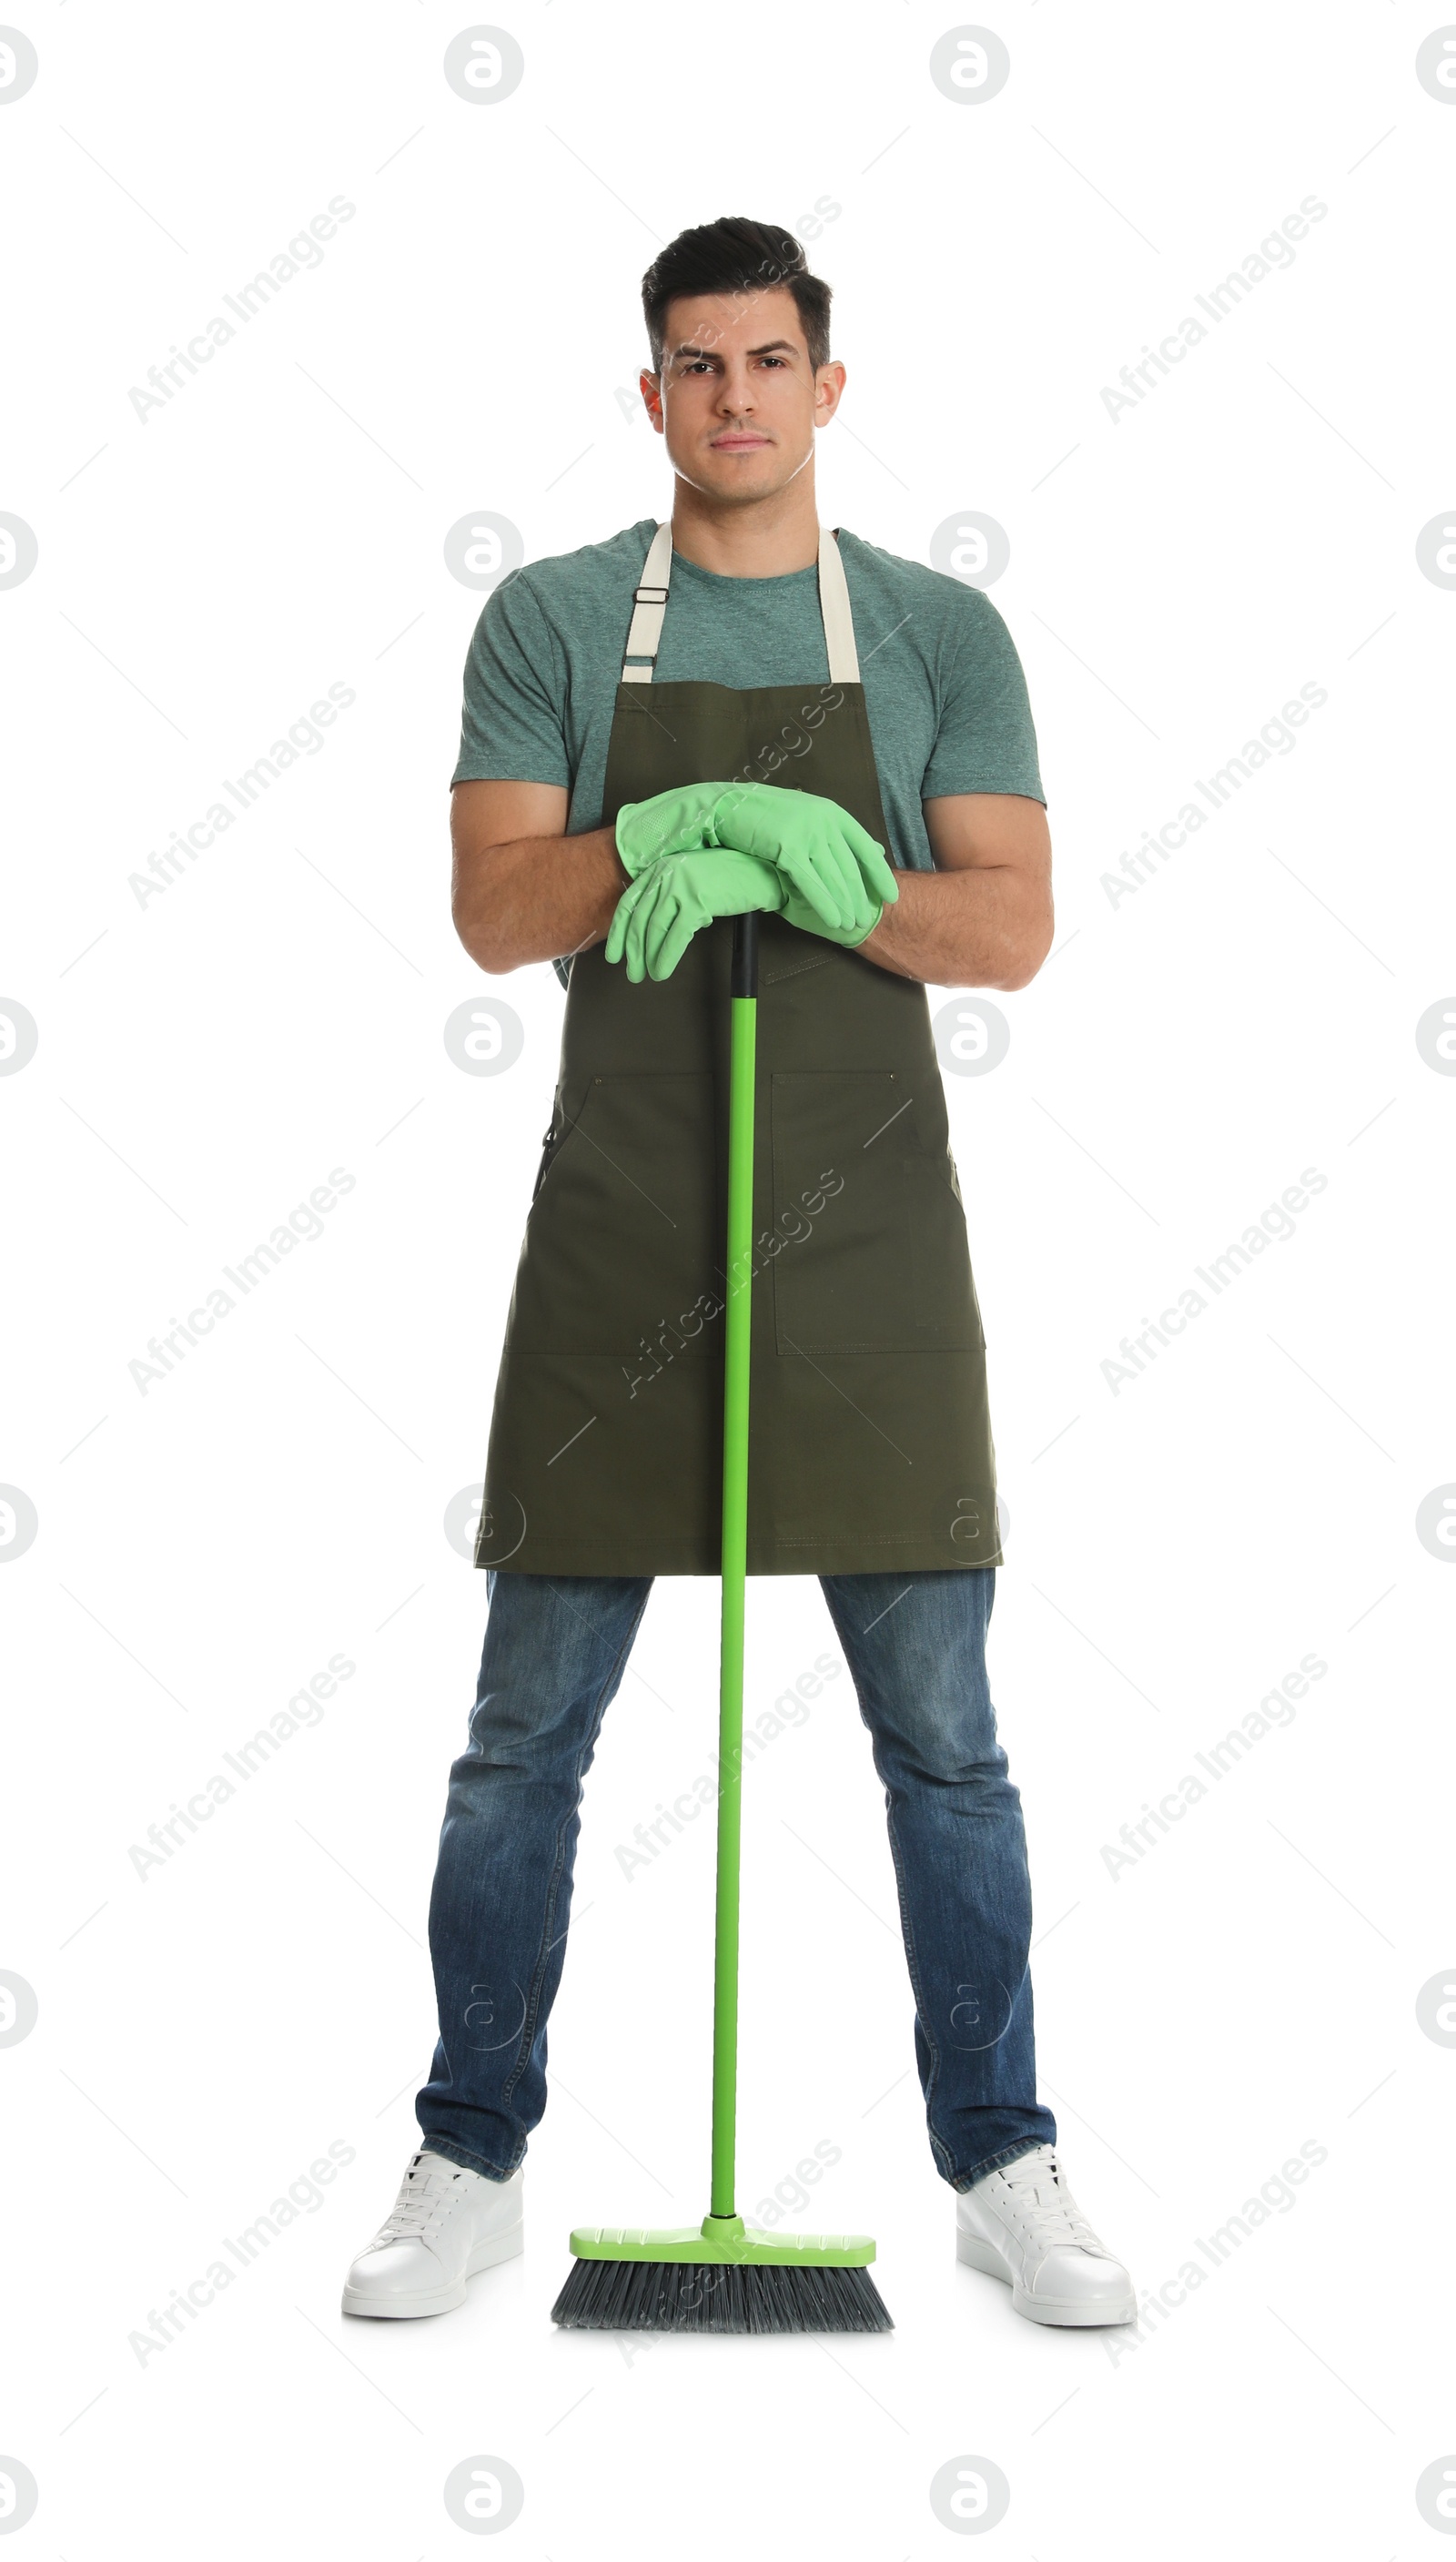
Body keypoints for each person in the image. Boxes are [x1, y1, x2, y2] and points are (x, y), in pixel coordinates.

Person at [341, 217, 1134, 2331]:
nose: (734, 400)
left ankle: (1001, 2154)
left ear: (827, 386)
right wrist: (669, 806)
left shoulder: (941, 632)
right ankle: (469, 2148)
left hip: (867, 1244)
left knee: (945, 1740)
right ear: (651, 393)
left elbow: (1008, 927)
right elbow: (499, 908)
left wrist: (817, 867)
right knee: (523, 1739)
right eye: (695, 367)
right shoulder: (549, 619)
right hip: (623, 1232)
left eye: (768, 360)